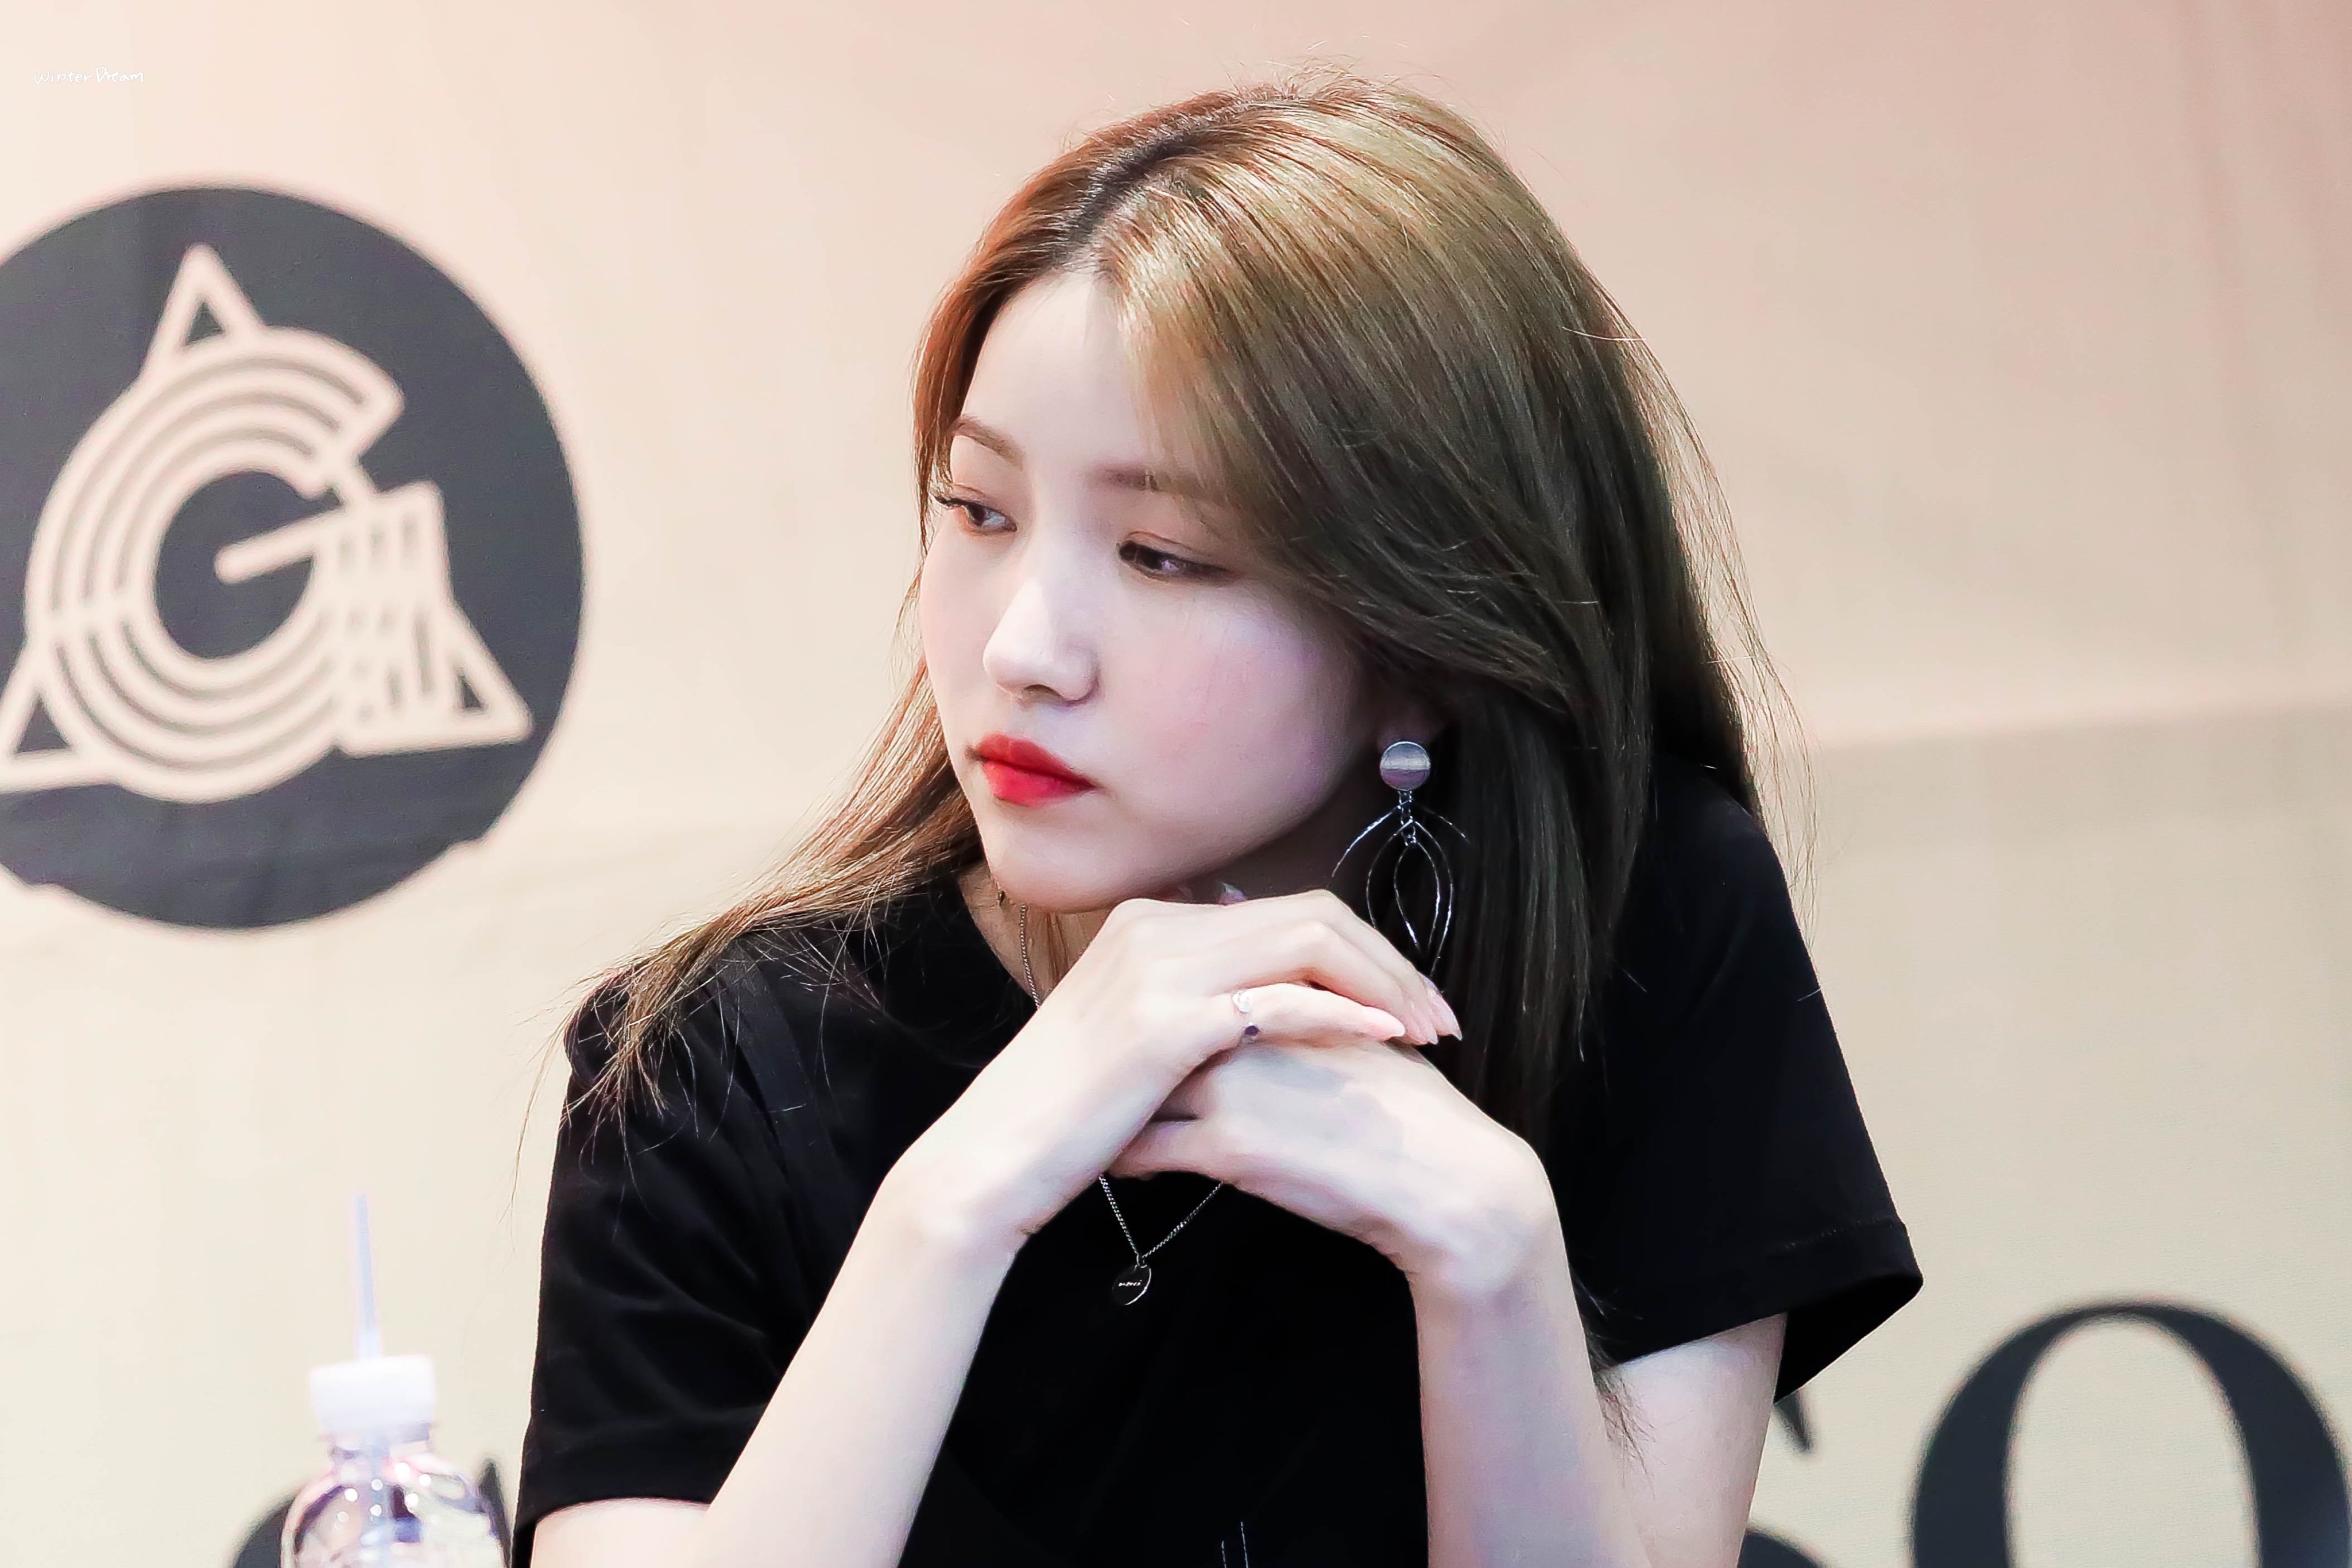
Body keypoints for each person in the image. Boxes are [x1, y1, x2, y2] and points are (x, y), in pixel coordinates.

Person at [514, 65, 1920, 1568]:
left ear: (1429, 644)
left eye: (1164, 554)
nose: (1024, 648)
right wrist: (954, 1204)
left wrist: (1494, 1252)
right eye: (979, 510)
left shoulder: (1635, 924)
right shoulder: (710, 1064)